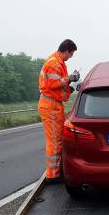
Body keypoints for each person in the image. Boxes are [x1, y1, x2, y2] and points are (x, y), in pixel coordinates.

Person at [38, 39, 79, 183]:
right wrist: (70, 79)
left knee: (57, 140)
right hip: (50, 105)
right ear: (67, 51)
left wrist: (69, 87)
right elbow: (53, 84)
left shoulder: (57, 62)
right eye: (71, 54)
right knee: (55, 142)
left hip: (53, 104)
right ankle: (52, 175)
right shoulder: (54, 63)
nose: (71, 57)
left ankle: (56, 171)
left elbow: (57, 85)